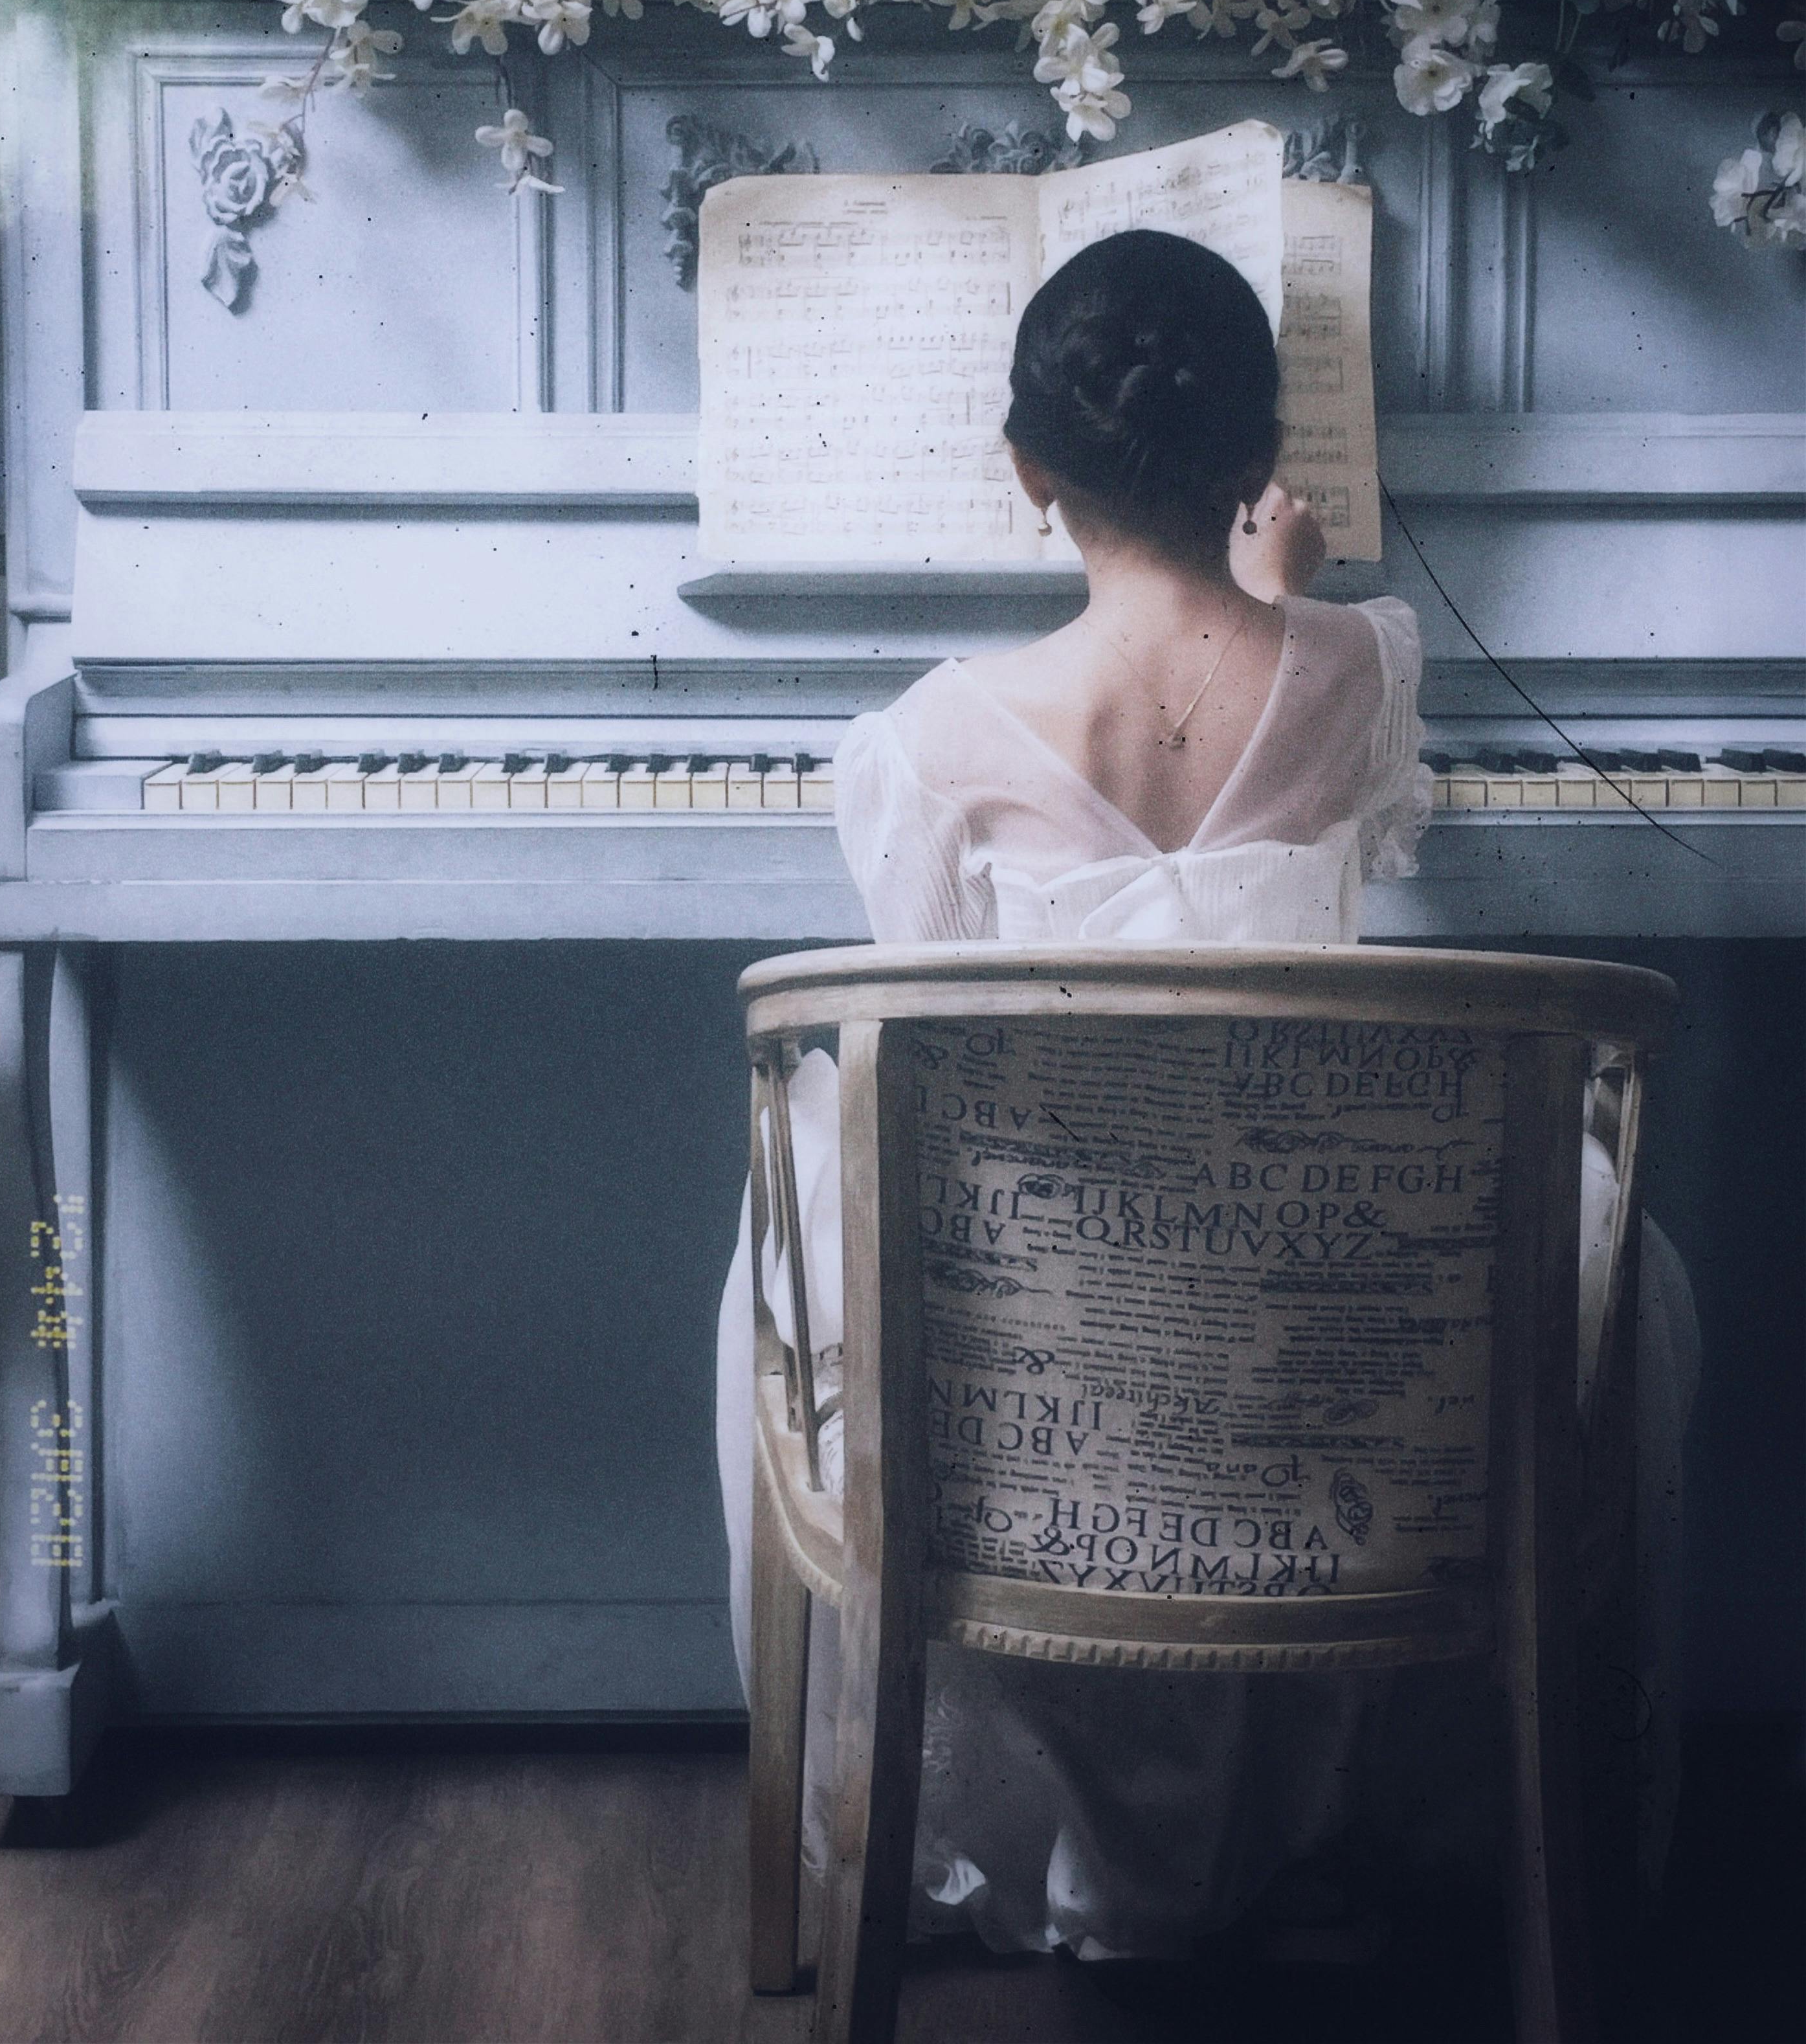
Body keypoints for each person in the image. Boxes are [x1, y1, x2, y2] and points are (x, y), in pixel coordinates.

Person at [713, 227, 1698, 1962]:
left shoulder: (926, 741)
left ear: (1029, 471)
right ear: (1260, 459)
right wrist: (1285, 594)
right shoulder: (1362, 668)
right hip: (1318, 1342)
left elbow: (929, 1041)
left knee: (793, 1228)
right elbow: (1348, 821)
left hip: (1051, 1375)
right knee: (1632, 1257)